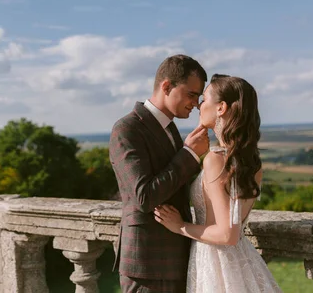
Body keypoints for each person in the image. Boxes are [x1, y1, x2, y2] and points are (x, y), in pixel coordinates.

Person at [154, 74, 282, 292]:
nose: (198, 106)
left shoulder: (216, 160)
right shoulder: (250, 161)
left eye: (204, 100)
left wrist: (180, 226)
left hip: (215, 263)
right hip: (241, 259)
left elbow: (226, 234)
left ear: (221, 108)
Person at [110, 54, 211, 293]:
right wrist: (190, 155)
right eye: (191, 94)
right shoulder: (127, 129)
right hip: (147, 266)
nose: (196, 103)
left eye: (199, 97)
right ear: (166, 86)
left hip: (176, 259)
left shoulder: (170, 129)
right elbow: (144, 196)